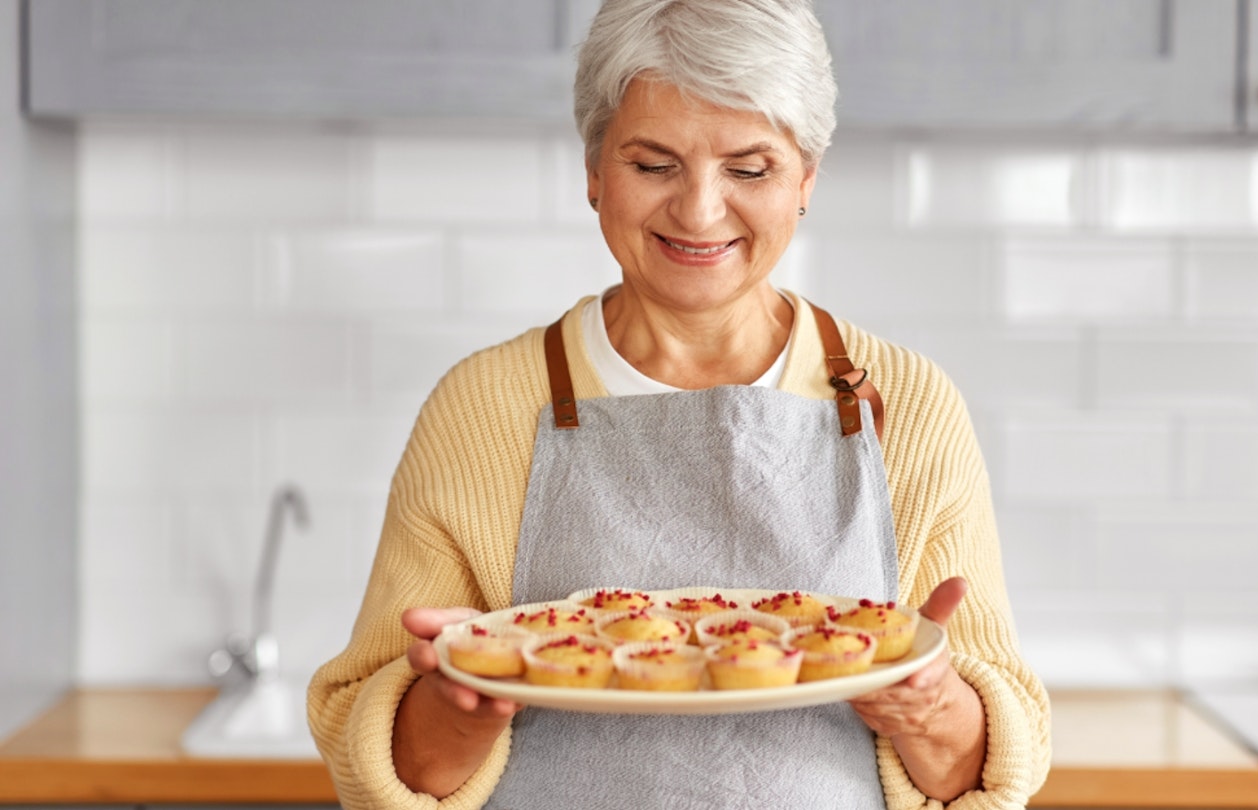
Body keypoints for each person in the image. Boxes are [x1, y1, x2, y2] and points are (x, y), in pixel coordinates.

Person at [307, 0, 1050, 807]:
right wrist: (457, 709)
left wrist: (929, 707)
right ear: (593, 171)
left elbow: (982, 775)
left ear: (806, 178)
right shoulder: (483, 407)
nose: (698, 211)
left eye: (750, 168)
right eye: (653, 164)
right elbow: (392, 767)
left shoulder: (905, 404)